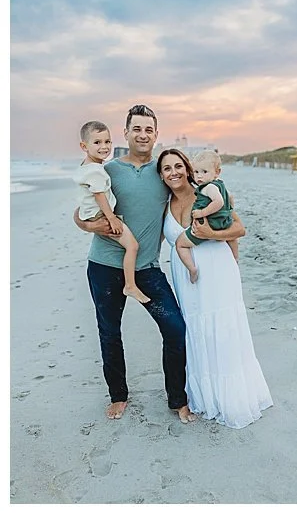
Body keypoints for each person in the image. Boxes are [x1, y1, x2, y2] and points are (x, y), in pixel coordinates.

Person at [73, 104, 245, 423]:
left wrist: (222, 211)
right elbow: (81, 208)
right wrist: (85, 225)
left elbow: (196, 193)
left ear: (156, 134)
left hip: (148, 270)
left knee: (176, 329)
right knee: (109, 332)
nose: (142, 134)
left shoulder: (161, 173)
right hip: (104, 266)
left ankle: (177, 399)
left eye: (148, 129)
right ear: (125, 133)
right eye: (136, 128)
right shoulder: (108, 171)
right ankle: (118, 395)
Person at [160, 148, 273, 428]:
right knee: (195, 331)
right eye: (166, 168)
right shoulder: (162, 204)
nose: (173, 172)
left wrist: (212, 234)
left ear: (188, 168)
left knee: (222, 329)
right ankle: (203, 395)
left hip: (217, 269)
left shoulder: (209, 194)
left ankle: (230, 398)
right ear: (161, 175)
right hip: (186, 277)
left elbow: (240, 229)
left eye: (178, 166)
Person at [73, 120, 151, 304]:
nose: (104, 147)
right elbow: (100, 196)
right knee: (132, 246)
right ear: (84, 146)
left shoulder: (87, 167)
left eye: (107, 142)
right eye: (97, 142)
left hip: (93, 213)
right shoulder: (96, 172)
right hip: (101, 216)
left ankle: (129, 284)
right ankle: (130, 285)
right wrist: (112, 218)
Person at [173, 149, 239, 283]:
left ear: (217, 172)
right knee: (232, 238)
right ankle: (235, 259)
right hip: (224, 221)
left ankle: (192, 269)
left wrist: (202, 213)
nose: (199, 176)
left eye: (204, 172)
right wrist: (229, 209)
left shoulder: (208, 188)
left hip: (209, 223)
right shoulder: (221, 185)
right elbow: (229, 198)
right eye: (196, 172)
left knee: (180, 244)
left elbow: (218, 202)